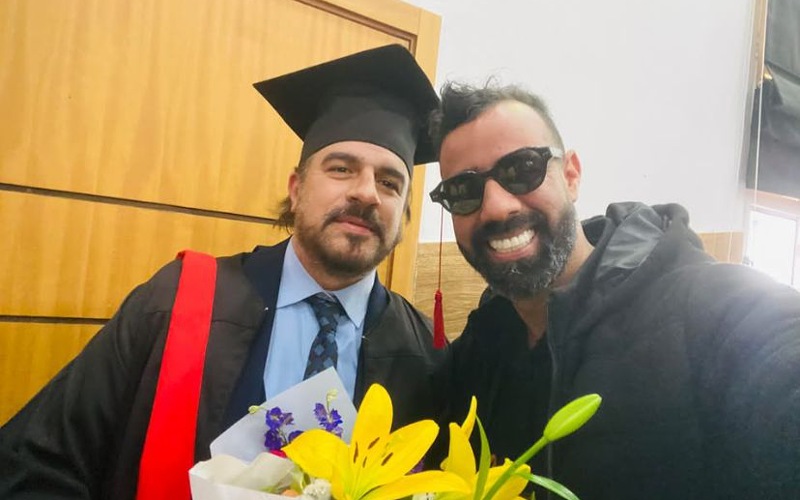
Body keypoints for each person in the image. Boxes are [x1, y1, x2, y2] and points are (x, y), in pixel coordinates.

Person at [0, 45, 444, 499]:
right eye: (342, 168)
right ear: (296, 189)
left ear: (404, 214)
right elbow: (39, 462)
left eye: (390, 182)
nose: (367, 192)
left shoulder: (424, 354)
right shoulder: (177, 301)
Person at [427, 82, 800, 499]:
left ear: (571, 175)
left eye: (521, 169)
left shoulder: (707, 307)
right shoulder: (481, 347)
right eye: (463, 191)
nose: (497, 207)